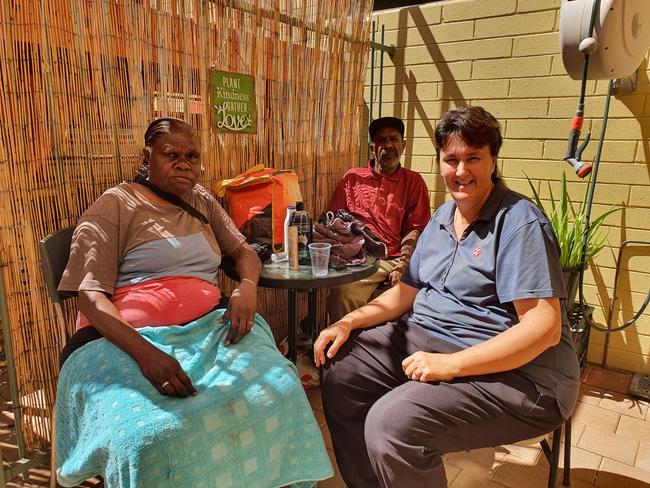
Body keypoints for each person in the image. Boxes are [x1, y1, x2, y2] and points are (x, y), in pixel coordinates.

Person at [55, 118, 332, 487]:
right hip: (127, 339)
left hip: (209, 328)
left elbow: (243, 252)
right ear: (146, 157)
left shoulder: (200, 200)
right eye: (172, 155)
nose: (184, 164)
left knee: (281, 389)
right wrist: (146, 354)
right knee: (147, 436)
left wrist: (247, 287)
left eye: (192, 156)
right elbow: (90, 298)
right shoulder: (116, 205)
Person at [313, 106, 580, 488]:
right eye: (451, 159)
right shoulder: (441, 219)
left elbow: (544, 328)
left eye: (473, 158)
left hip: (522, 376)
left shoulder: (518, 222)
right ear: (439, 161)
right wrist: (347, 321)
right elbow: (404, 294)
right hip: (436, 339)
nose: (461, 171)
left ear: (493, 161)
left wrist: (450, 365)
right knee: (343, 369)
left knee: (392, 424)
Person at [326, 116, 431, 323]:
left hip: (392, 258)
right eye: (382, 140)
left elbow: (416, 228)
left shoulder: (413, 181)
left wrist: (403, 263)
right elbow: (333, 220)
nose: (388, 145)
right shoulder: (353, 178)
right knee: (342, 293)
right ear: (373, 147)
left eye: (394, 138)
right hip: (358, 257)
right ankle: (345, 350)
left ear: (404, 144)